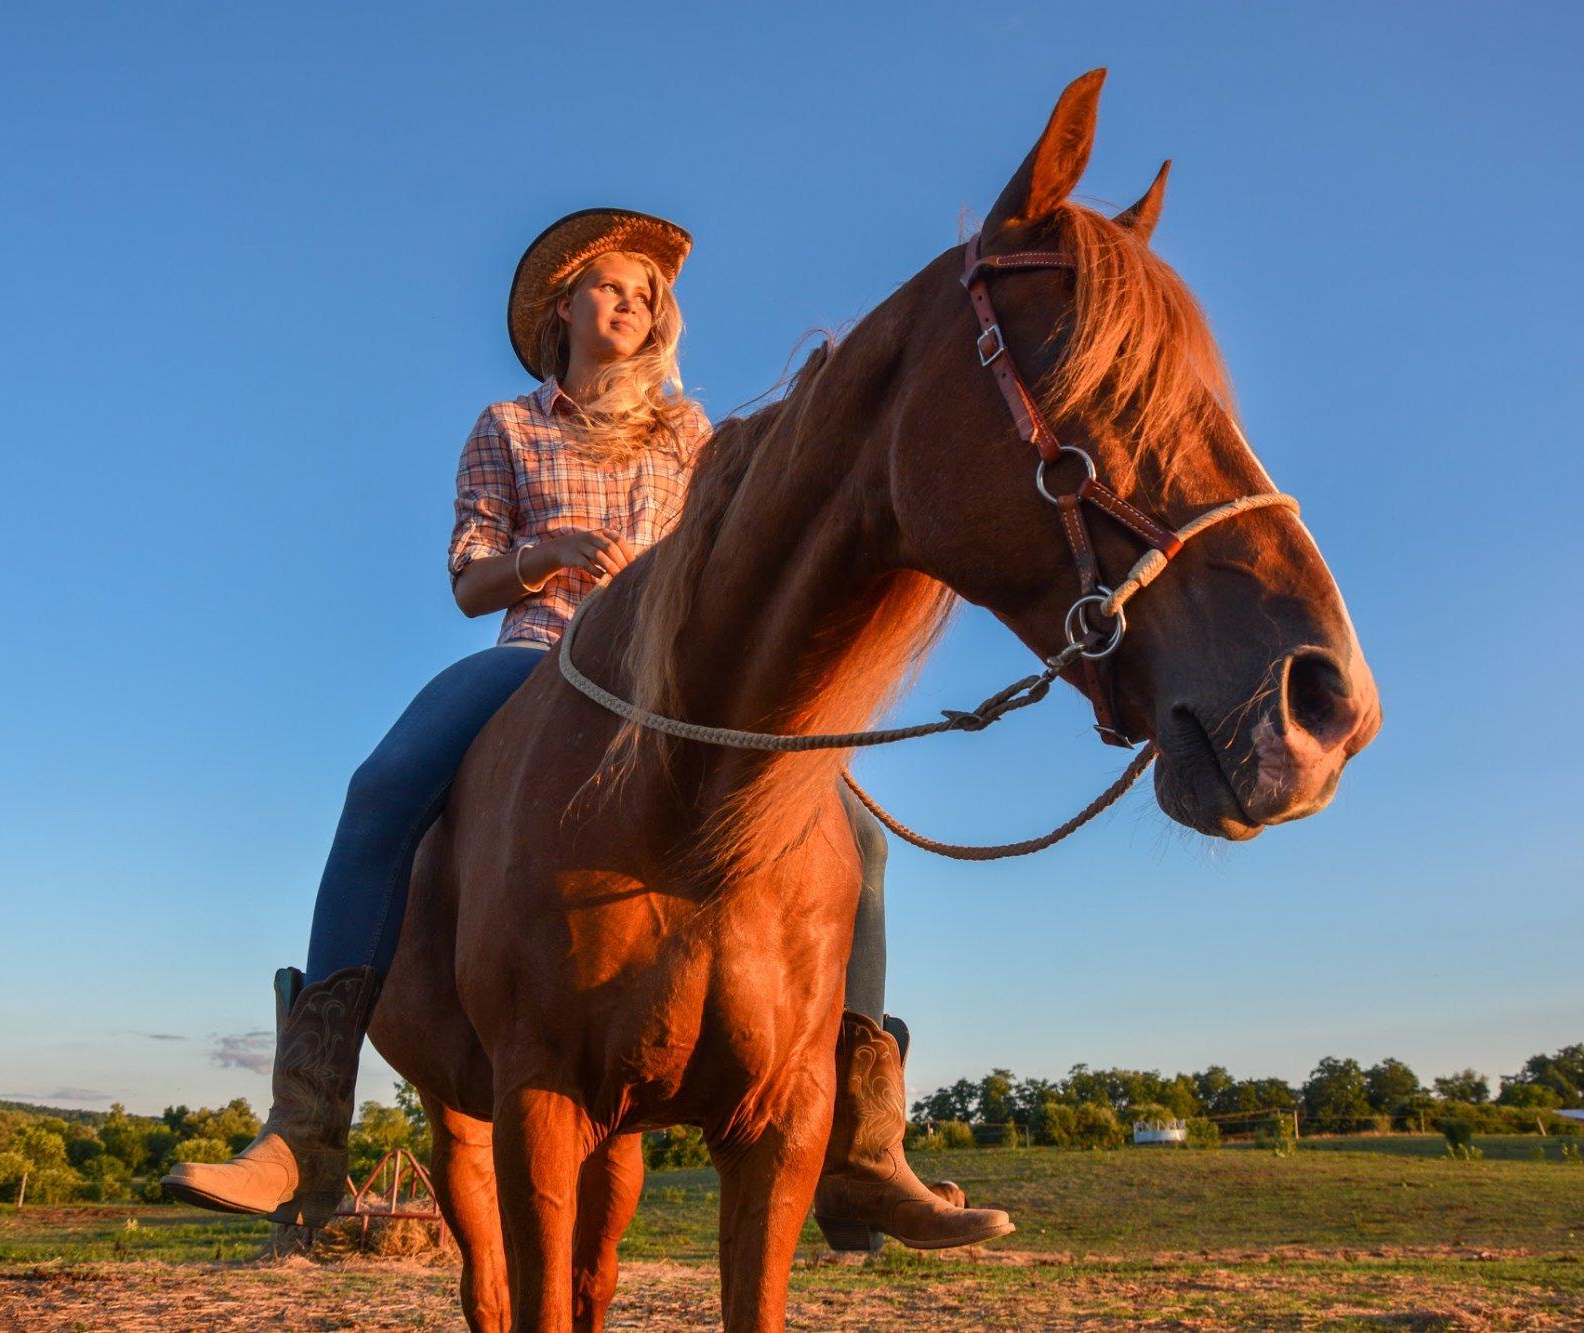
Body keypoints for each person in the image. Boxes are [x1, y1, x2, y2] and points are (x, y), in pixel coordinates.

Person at [162, 209, 1009, 1250]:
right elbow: (468, 578)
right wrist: (543, 552)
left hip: (683, 682)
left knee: (862, 842)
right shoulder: (506, 427)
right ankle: (307, 1121)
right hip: (537, 653)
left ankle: (865, 1143)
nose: (632, 306)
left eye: (647, 296)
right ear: (561, 306)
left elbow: (737, 562)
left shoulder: (694, 433)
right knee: (383, 786)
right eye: (611, 287)